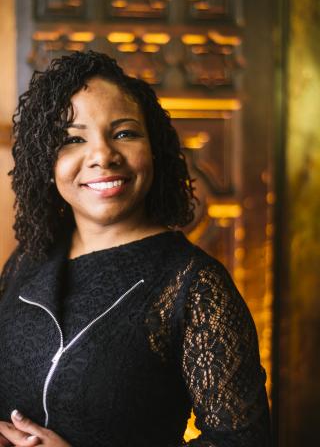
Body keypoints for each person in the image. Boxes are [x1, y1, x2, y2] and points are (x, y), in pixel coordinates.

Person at [0, 51, 271, 447]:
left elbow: (244, 441)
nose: (103, 156)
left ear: (154, 148)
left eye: (124, 133)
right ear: (46, 161)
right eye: (73, 139)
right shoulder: (28, 258)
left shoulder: (194, 286)